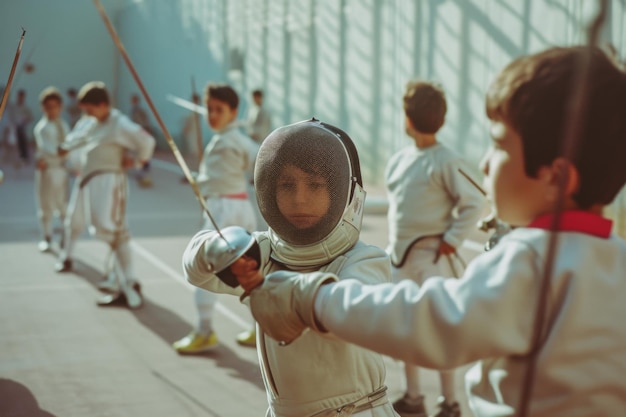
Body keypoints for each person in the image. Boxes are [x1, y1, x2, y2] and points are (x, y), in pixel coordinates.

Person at [236, 46, 626, 417]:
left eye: (498, 145)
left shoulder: (533, 261)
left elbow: (427, 322)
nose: (486, 164)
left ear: (556, 177)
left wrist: (313, 299)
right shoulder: (615, 256)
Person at [182, 118, 398, 416]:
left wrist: (288, 294)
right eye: (286, 185)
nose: (299, 198)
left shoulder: (363, 259)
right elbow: (197, 272)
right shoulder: (264, 254)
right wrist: (216, 248)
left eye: (315, 185)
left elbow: (350, 313)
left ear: (342, 192)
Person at [385, 80, 485, 417]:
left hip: (432, 259)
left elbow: (475, 201)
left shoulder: (448, 160)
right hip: (400, 260)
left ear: (408, 119)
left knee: (440, 331)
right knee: (404, 330)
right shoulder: (399, 161)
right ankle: (414, 398)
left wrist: (452, 240)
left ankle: (451, 403)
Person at [172, 83, 260, 353]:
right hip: (237, 207)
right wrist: (201, 181)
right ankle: (261, 329)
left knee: (205, 266)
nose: (212, 115)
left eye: (219, 110)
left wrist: (204, 183)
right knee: (252, 269)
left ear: (234, 111)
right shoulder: (226, 139)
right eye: (209, 109)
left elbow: (260, 159)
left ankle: (204, 330)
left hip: (225, 210)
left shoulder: (235, 140)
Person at [55, 81, 155, 310]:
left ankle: (128, 285)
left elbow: (147, 141)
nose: (87, 114)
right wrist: (65, 147)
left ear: (102, 104)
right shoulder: (95, 122)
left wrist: (137, 161)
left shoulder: (119, 123)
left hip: (111, 182)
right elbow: (81, 138)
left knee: (114, 231)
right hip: (94, 183)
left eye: (89, 109)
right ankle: (127, 282)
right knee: (106, 230)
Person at [32, 87, 71, 253]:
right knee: (45, 205)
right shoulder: (41, 128)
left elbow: (69, 146)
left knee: (63, 205)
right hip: (48, 171)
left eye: (55, 106)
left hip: (62, 171)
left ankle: (65, 236)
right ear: (43, 107)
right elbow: (52, 149)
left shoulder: (63, 125)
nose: (52, 109)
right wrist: (66, 150)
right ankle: (46, 237)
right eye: (48, 106)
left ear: (60, 106)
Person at [129, 93, 154, 188]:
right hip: (135, 134)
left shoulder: (140, 110)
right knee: (136, 152)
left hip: (142, 132)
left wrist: (147, 130)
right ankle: (139, 171)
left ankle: (144, 171)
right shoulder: (132, 110)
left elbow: (146, 121)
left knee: (144, 151)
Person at [10, 89, 33, 166]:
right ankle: (15, 159)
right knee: (14, 143)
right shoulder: (14, 106)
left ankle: (24, 158)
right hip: (14, 127)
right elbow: (11, 116)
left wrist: (24, 122)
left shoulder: (25, 107)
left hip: (22, 127)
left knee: (22, 143)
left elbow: (30, 117)